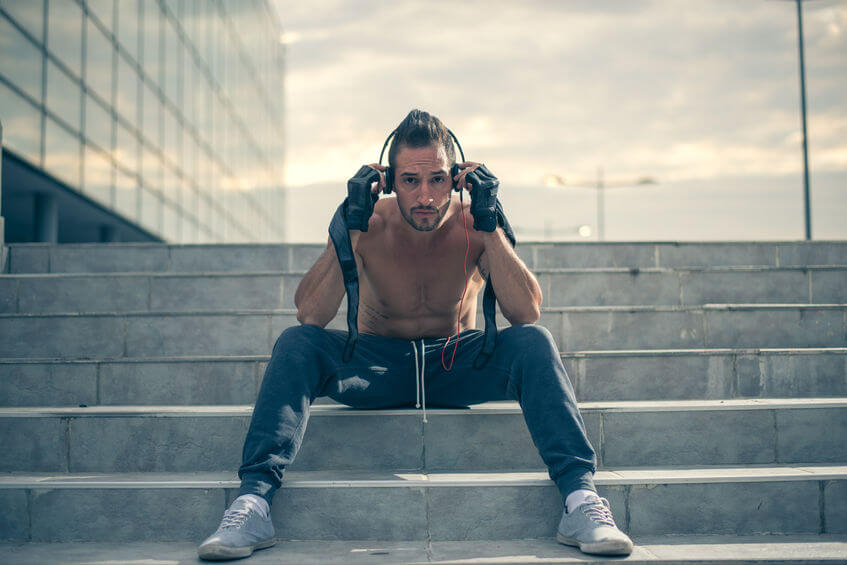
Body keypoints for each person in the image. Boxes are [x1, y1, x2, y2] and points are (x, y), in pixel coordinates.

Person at [197, 110, 633, 560]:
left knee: (534, 341)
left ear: (458, 178)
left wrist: (490, 224)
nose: (425, 195)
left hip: (454, 366)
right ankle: (253, 503)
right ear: (388, 182)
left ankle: (581, 501)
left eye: (438, 180)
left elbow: (526, 311)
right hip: (375, 368)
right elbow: (310, 313)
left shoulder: (475, 225)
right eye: (409, 181)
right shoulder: (368, 225)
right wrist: (347, 227)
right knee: (296, 342)